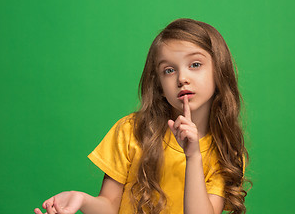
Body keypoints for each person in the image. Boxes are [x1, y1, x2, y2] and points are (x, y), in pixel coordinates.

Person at [34, 18, 250, 214]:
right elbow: (109, 206)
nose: (182, 78)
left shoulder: (224, 149)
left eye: (195, 64)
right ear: (158, 83)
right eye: (169, 70)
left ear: (219, 70)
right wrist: (80, 199)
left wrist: (193, 156)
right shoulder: (130, 131)